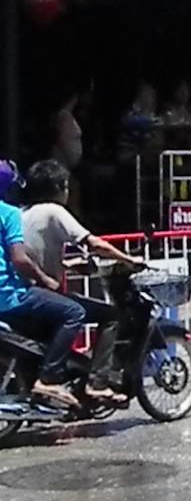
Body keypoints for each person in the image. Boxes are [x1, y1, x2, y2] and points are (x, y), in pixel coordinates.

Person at [19, 160, 145, 405]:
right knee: (110, 316)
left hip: (26, 291)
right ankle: (97, 383)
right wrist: (129, 259)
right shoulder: (53, 211)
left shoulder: (22, 213)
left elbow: (32, 254)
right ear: (58, 187)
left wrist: (68, 265)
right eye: (65, 186)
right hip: (41, 294)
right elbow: (93, 243)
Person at [0, 162, 117, 410]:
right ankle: (50, 380)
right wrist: (45, 279)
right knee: (75, 312)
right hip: (11, 294)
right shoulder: (11, 213)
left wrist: (66, 265)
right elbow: (20, 258)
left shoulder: (22, 213)